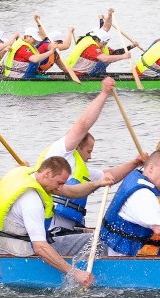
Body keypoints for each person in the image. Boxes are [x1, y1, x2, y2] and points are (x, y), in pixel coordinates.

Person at [36, 77, 144, 233]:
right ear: (78, 145)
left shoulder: (81, 171)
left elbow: (109, 175)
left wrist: (135, 163)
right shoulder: (61, 152)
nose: (90, 156)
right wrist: (104, 94)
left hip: (69, 227)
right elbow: (83, 125)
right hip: (50, 227)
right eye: (89, 151)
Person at [0, 156, 105, 288]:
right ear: (47, 173)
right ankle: (86, 275)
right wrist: (74, 273)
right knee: (97, 240)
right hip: (20, 250)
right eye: (59, 183)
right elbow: (40, 248)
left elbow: (72, 192)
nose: (60, 188)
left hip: (0, 242)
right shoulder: (31, 201)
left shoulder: (23, 174)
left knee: (87, 238)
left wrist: (98, 183)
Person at [65, 9, 137, 77]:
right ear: (98, 40)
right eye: (104, 43)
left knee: (111, 56)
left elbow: (106, 28)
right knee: (106, 60)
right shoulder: (91, 47)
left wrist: (131, 46)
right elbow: (105, 59)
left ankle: (101, 77)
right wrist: (123, 57)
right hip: (77, 75)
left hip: (86, 72)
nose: (104, 45)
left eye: (106, 43)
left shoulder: (96, 40)